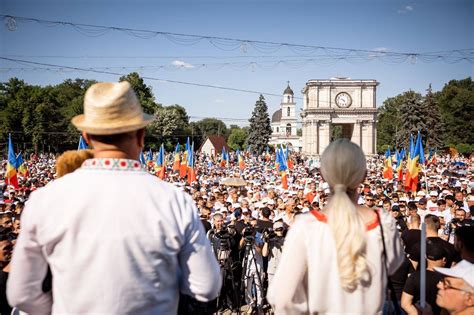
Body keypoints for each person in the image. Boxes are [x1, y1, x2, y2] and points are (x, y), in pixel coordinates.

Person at [7, 81, 221, 314]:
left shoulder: (45, 200)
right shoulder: (173, 200)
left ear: (86, 136)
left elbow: (21, 293)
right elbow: (206, 286)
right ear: (141, 134)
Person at [267, 139, 404, 314]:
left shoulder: (306, 226)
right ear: (364, 176)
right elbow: (392, 267)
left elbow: (282, 297)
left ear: (323, 176)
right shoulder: (384, 223)